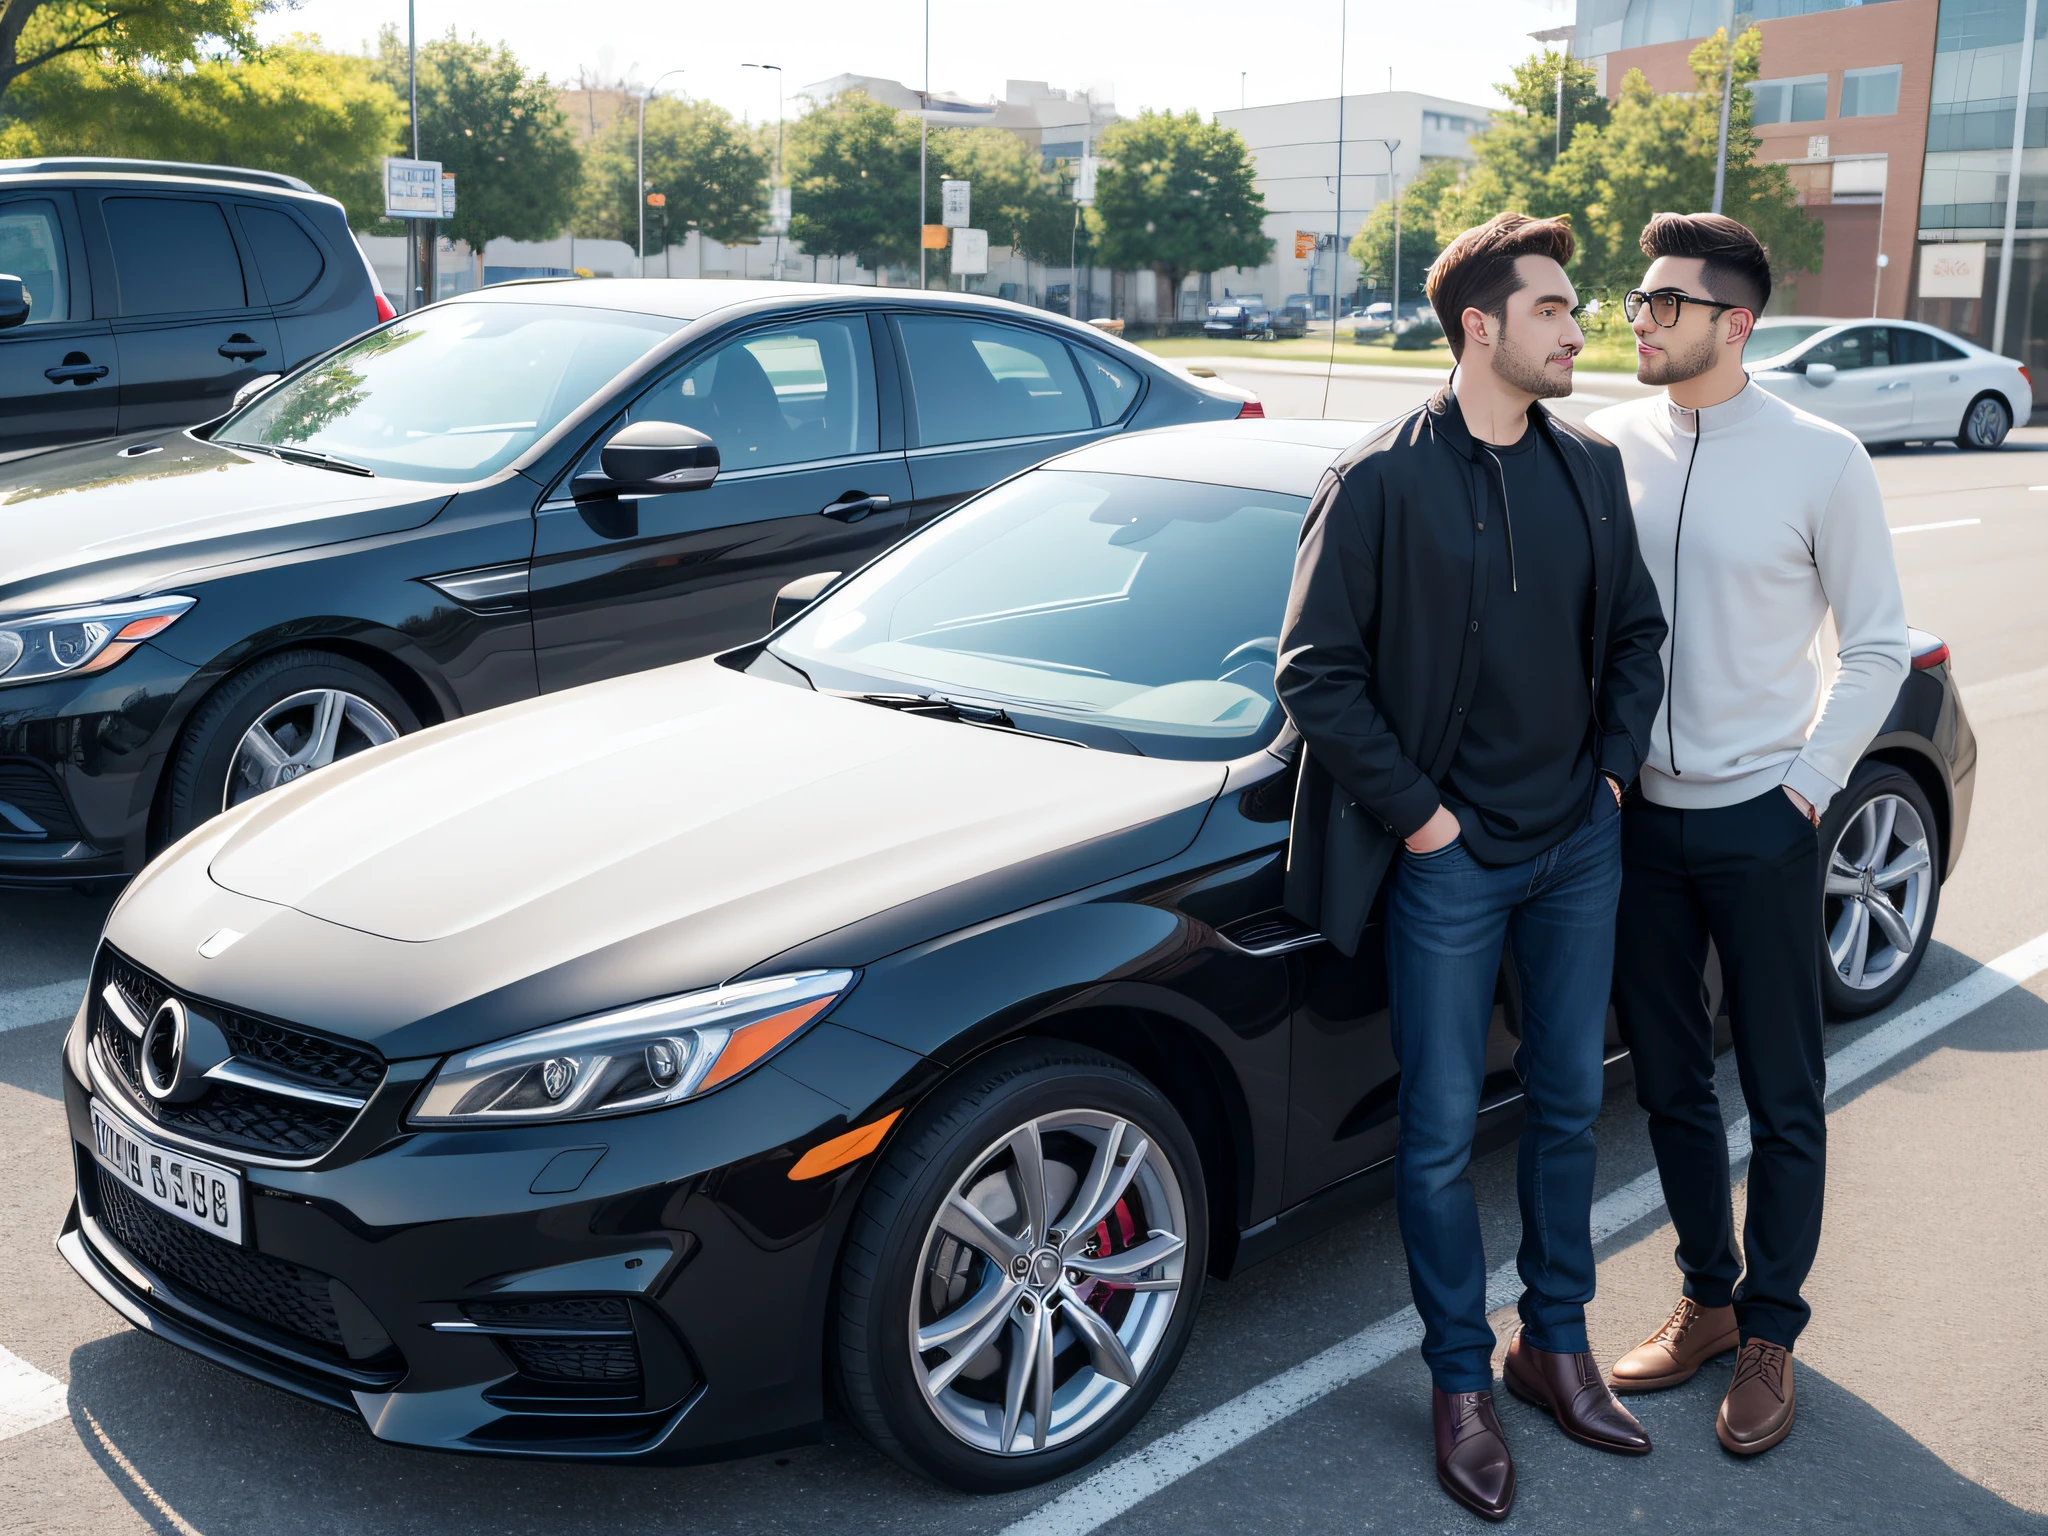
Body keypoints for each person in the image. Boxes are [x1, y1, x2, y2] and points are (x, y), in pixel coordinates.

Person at [1277, 211, 1668, 1522]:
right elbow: (1316, 674)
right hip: (1451, 863)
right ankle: (1462, 1382)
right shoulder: (1380, 482)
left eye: (1576, 306)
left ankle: (1552, 1344)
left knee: (1567, 1104)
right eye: (1555, 307)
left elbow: (1635, 639)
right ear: (1481, 326)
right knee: (1441, 1135)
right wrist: (1426, 822)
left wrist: (1610, 776)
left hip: (1577, 848)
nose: (1579, 327)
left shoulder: (1589, 470)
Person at [1589, 213, 1908, 1456]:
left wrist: (1809, 782)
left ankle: (1771, 1329)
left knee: (1781, 1093)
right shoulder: (1607, 441)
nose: (1637, 318)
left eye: (1664, 302)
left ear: (1736, 323)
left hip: (1762, 821)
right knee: (1667, 1084)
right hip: (1637, 826)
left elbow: (1876, 637)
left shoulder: (1820, 459)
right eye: (1634, 299)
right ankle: (1708, 1302)